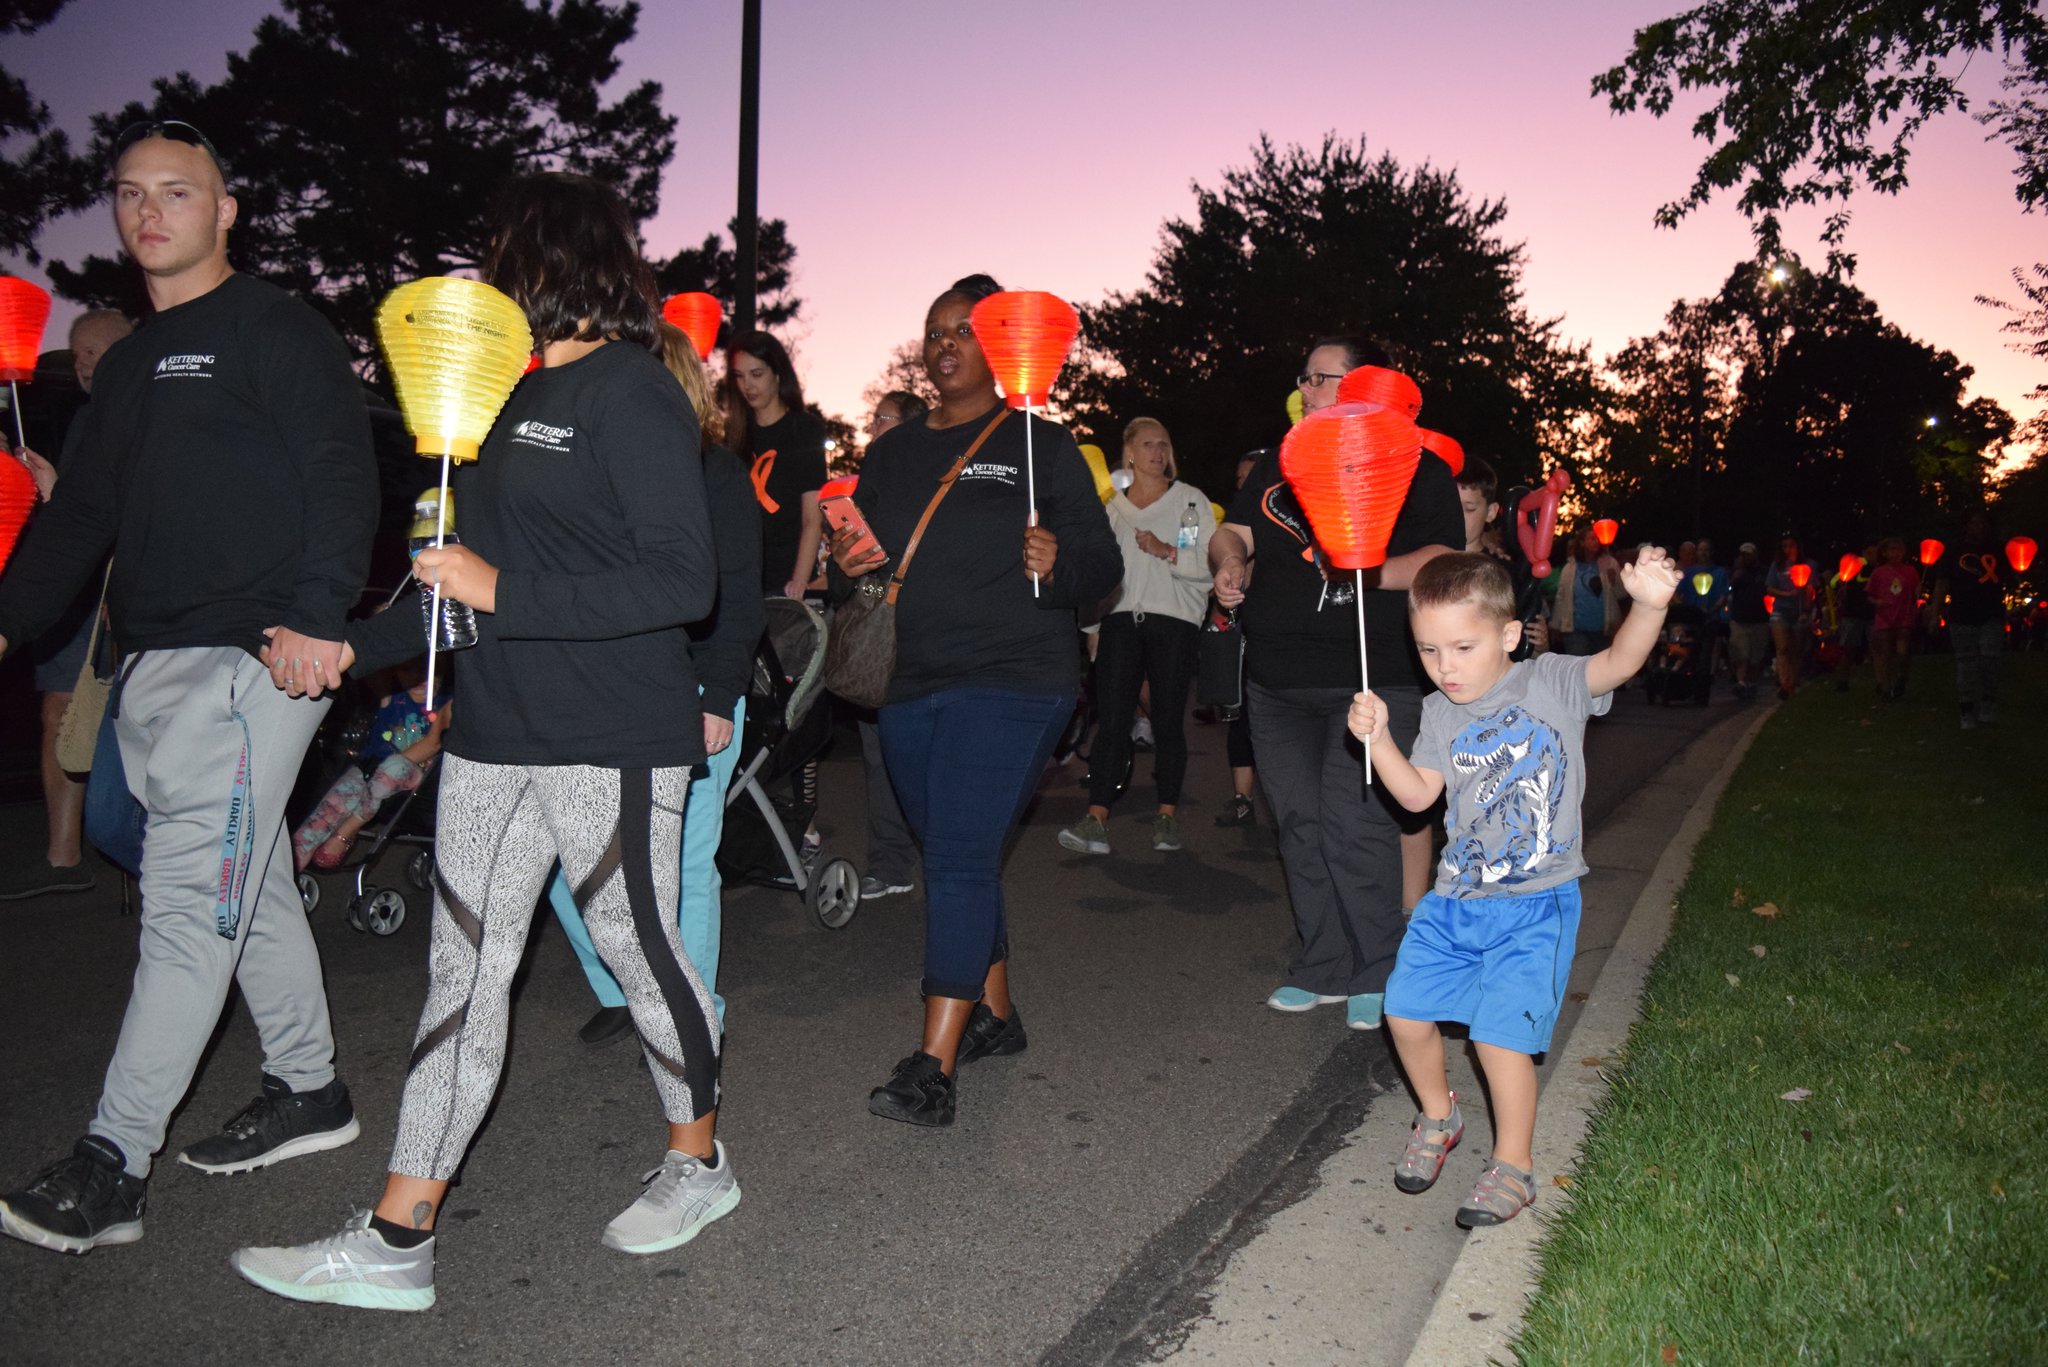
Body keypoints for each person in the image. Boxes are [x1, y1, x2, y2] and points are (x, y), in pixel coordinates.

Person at [232, 172, 727, 1310]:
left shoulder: (631, 393)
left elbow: (679, 577)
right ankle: (399, 1236)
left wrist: (501, 582)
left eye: (501, 250)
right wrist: (347, 646)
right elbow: (450, 592)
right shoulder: (491, 403)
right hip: (496, 731)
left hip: (611, 730)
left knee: (639, 952)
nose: (488, 273)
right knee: (463, 968)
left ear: (549, 257)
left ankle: (697, 1157)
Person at [0, 121, 377, 1253]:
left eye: (177, 191)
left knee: (184, 908)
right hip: (157, 667)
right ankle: (311, 1087)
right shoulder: (127, 372)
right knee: (242, 885)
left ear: (227, 212)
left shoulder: (272, 327)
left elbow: (334, 466)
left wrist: (317, 612)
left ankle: (113, 1160)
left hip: (253, 660)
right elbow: (80, 520)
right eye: (128, 194)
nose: (147, 211)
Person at [830, 273, 1119, 1127]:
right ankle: (996, 1013)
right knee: (955, 847)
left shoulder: (1041, 444)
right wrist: (847, 561)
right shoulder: (891, 451)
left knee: (956, 851)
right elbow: (868, 554)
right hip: (910, 679)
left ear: (999, 347)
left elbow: (1101, 568)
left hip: (1017, 677)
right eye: (934, 329)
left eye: (965, 329)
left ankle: (934, 1064)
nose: (945, 341)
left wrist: (1054, 562)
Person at [1346, 547, 1677, 1226]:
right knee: (1404, 1012)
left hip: (1536, 903)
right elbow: (1416, 798)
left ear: (1505, 633)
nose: (1445, 666)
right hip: (1454, 902)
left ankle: (1514, 1165)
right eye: (1429, 649)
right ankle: (1440, 1117)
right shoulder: (1439, 713)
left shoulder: (1550, 681)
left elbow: (1620, 662)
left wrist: (1649, 605)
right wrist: (1378, 741)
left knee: (1499, 1039)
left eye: (1462, 647)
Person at [1210, 336, 1463, 1032]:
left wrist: (1364, 570)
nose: (1308, 390)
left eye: (1324, 378)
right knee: (1297, 823)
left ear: (1363, 385)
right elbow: (1232, 532)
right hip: (1277, 680)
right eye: (1306, 377)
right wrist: (1228, 563)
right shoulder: (1278, 460)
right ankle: (1320, 960)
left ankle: (1377, 965)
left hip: (1373, 676)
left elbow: (1445, 557)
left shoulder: (1415, 464)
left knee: (1358, 825)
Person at [544, 321, 764, 1045]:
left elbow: (737, 596)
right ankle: (626, 992)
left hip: (695, 694)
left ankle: (692, 1020)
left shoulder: (716, 473)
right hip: (609, 691)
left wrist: (718, 694)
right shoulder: (601, 467)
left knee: (683, 866)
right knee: (565, 864)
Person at [0, 309, 134, 902]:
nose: (80, 362)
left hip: (118, 594)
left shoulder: (143, 413)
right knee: (62, 713)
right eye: (76, 351)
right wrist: (45, 483)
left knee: (116, 720)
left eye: (92, 351)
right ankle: (64, 855)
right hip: (75, 590)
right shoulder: (86, 420)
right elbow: (81, 515)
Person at [1059, 417, 1212, 857]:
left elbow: (1207, 566)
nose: (1157, 452)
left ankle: (1166, 816)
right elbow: (1097, 575)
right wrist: (1092, 628)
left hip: (1173, 622)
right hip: (1121, 622)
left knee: (1166, 721)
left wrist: (1166, 551)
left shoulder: (1189, 502)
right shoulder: (1111, 510)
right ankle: (1096, 819)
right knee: (1113, 721)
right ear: (1128, 452)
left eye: (1163, 444)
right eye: (1147, 444)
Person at [854, 389, 928, 901]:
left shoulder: (929, 479)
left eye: (881, 418)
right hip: (879, 622)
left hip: (928, 629)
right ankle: (889, 860)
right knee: (877, 751)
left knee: (927, 755)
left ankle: (947, 858)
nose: (872, 427)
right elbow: (863, 569)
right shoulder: (870, 480)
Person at [291, 665, 446, 870]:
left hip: (414, 777)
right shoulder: (391, 692)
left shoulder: (447, 702)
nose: (419, 678)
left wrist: (379, 771)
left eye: (428, 671)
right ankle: (288, 868)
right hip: (370, 771)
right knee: (333, 805)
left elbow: (432, 744)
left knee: (393, 767)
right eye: (408, 670)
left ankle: (347, 830)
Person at [727, 330, 826, 599]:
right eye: (739, 376)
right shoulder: (734, 435)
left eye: (756, 374)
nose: (747, 385)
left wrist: (799, 581)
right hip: (743, 580)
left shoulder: (803, 430)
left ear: (778, 373)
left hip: (788, 582)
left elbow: (811, 519)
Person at [1933, 511, 2006, 729]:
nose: (1978, 527)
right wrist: (1935, 612)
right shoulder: (1954, 551)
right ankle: (1966, 708)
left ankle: (1987, 702)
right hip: (1962, 614)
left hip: (1991, 613)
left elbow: (2008, 576)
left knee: (1990, 659)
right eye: (1974, 522)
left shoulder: (1998, 549)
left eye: (1982, 522)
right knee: (1966, 662)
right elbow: (1942, 583)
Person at [1865, 536, 1921, 701]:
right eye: (1891, 550)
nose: (1895, 553)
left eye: (1898, 549)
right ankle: (1886, 686)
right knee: (1886, 652)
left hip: (1904, 615)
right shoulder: (1879, 572)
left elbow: (1916, 589)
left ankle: (1902, 677)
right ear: (1885, 552)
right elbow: (1869, 594)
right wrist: (1878, 602)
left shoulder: (1910, 571)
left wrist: (1917, 596)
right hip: (1885, 616)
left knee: (1902, 651)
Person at [1550, 526, 1618, 656]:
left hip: (1604, 631)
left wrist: (1614, 580)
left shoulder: (1610, 563)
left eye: (1597, 539)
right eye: (1592, 538)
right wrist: (1555, 625)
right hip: (1576, 632)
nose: (1596, 541)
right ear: (1581, 542)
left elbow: (1621, 594)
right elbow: (1561, 597)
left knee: (1602, 672)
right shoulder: (1569, 568)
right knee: (1578, 669)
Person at [1765, 534, 1815, 699]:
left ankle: (1792, 682)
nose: (1788, 549)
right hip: (1781, 611)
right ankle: (1784, 684)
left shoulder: (1808, 565)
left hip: (1800, 612)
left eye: (1791, 545)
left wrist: (1806, 610)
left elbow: (1812, 590)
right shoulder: (1777, 566)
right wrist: (1786, 594)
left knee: (1796, 650)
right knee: (1783, 648)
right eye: (1784, 546)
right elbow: (1770, 588)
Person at [1726, 542, 1771, 700]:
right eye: (1743, 555)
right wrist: (1734, 578)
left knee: (1756, 655)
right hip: (1740, 619)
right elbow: (1728, 591)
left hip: (1759, 619)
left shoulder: (1764, 572)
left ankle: (1750, 682)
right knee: (1740, 652)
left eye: (1749, 554)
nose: (1746, 558)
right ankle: (1741, 682)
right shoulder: (1736, 572)